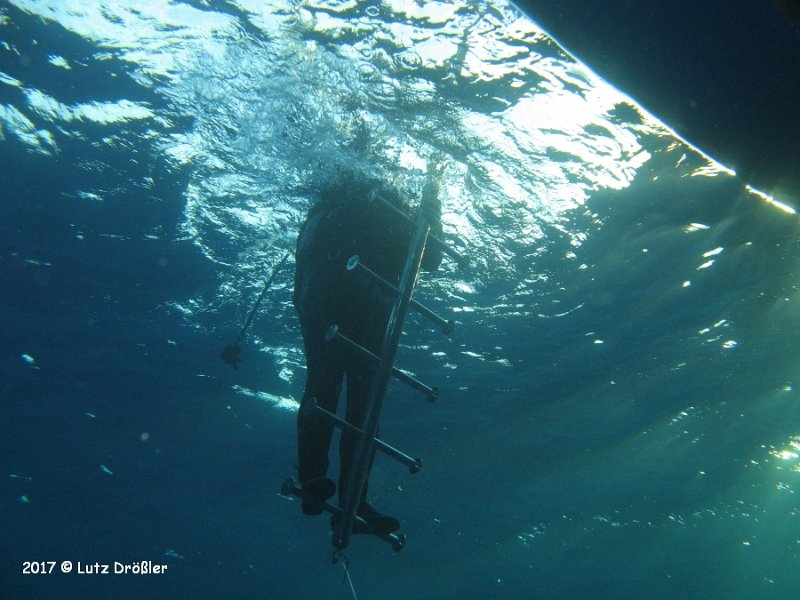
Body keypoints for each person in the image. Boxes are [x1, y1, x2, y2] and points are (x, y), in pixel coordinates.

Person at [293, 171, 442, 533]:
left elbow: (430, 258)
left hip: (348, 305)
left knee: (346, 397)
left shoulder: (359, 206)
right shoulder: (368, 203)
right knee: (344, 396)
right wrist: (431, 206)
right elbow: (431, 258)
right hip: (344, 304)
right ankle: (328, 487)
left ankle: (341, 493)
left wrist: (431, 209)